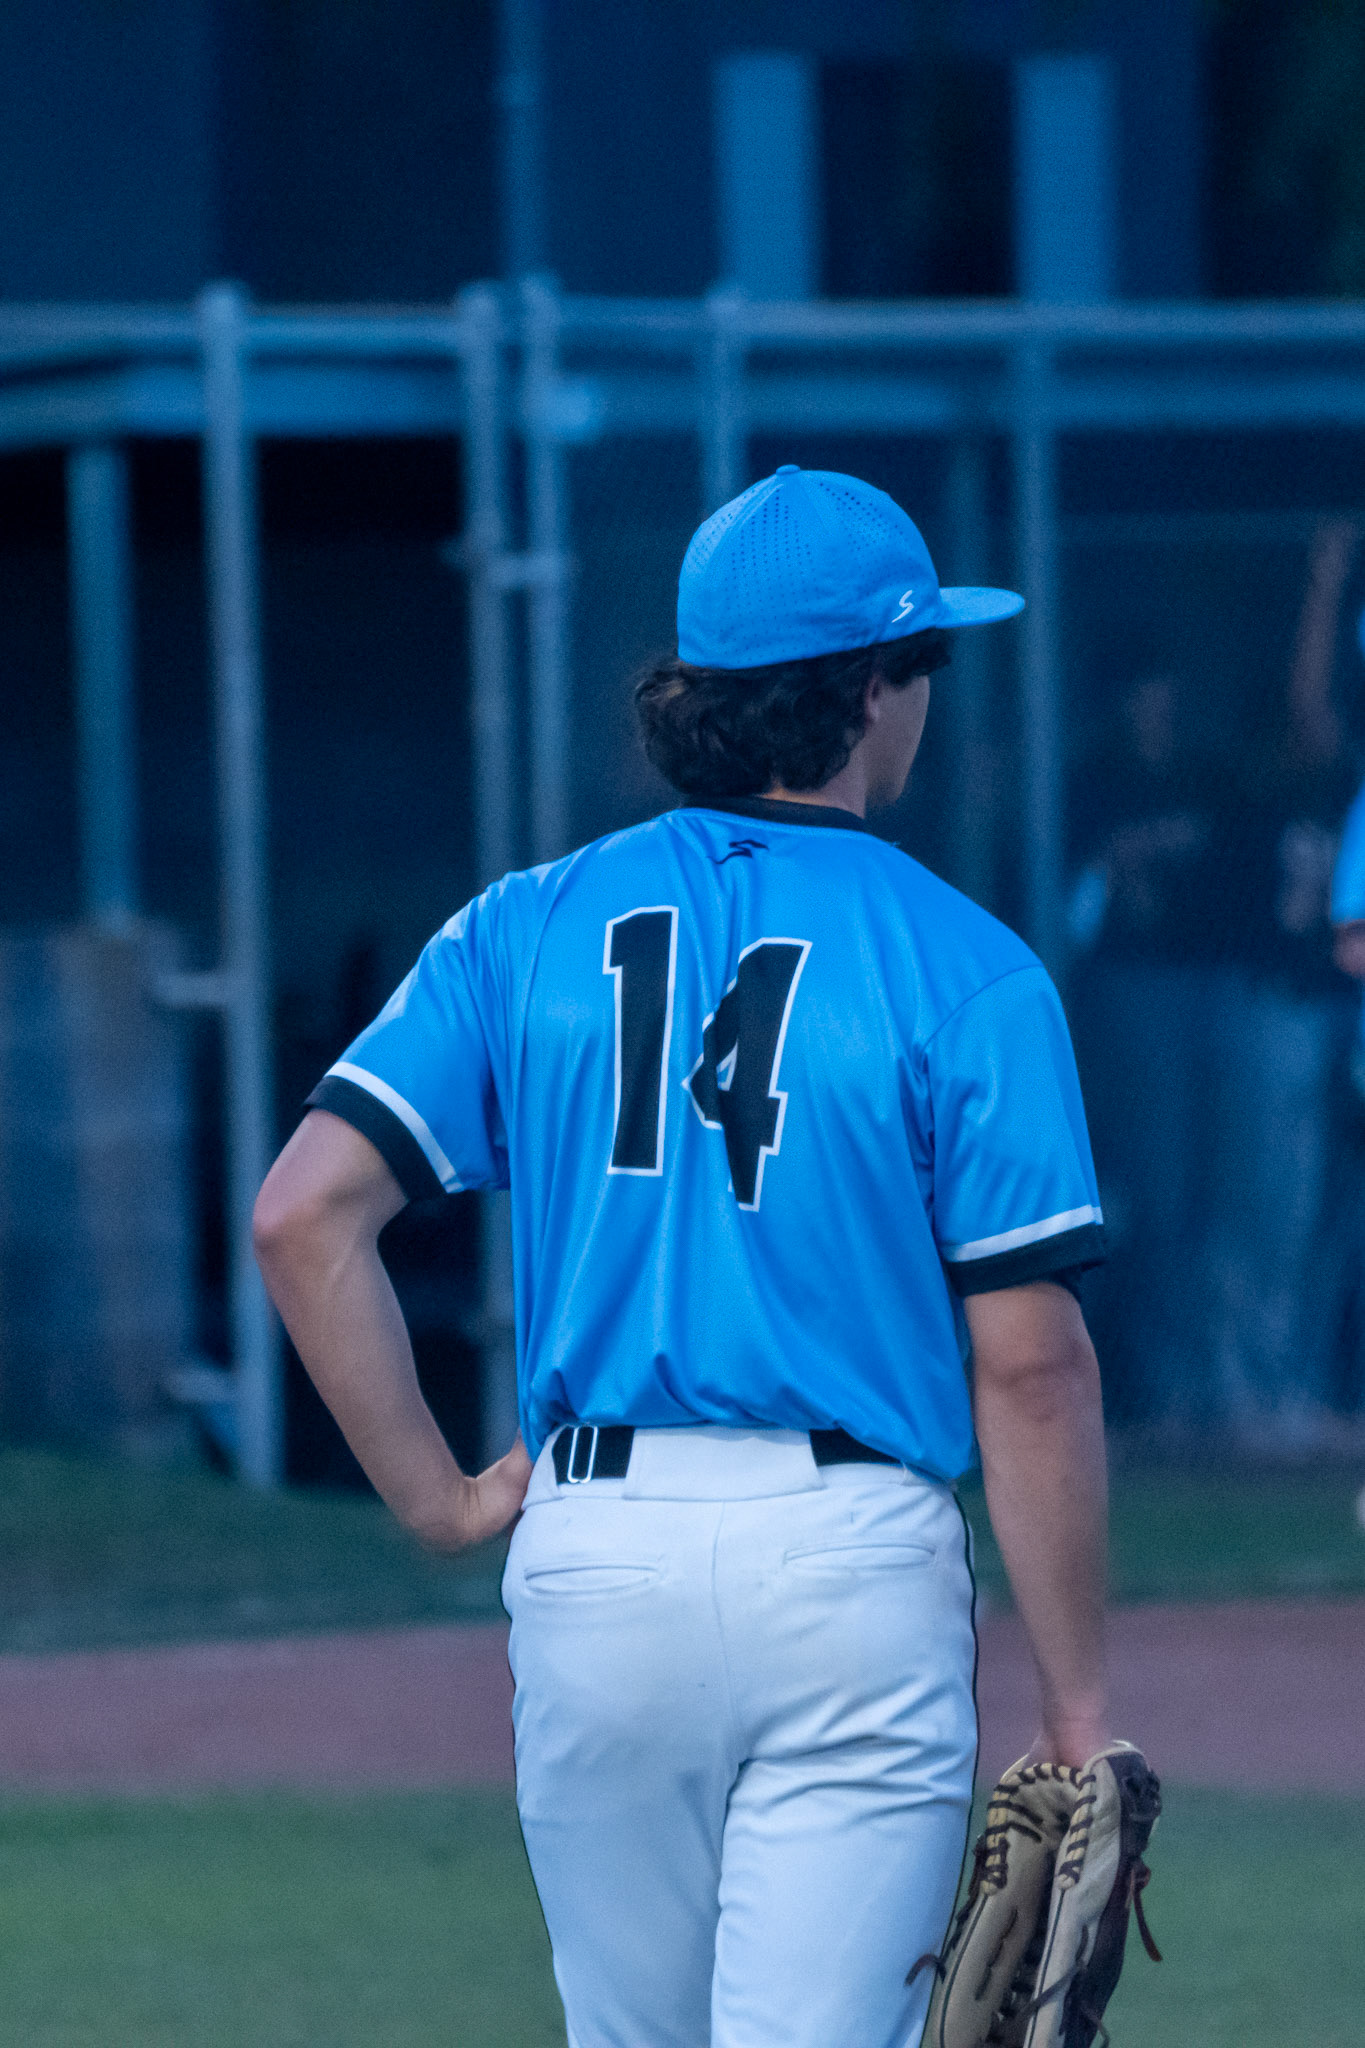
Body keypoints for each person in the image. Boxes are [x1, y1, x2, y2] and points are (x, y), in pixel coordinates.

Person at [253, 465, 1112, 2048]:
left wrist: (440, 1500)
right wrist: (1075, 1704)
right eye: (922, 661)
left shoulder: (522, 926)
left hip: (598, 1556)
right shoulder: (968, 969)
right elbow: (1032, 1367)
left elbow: (302, 1217)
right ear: (870, 689)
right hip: (849, 1562)